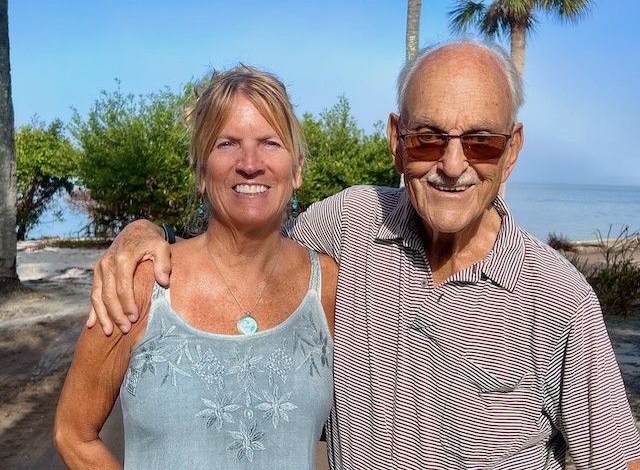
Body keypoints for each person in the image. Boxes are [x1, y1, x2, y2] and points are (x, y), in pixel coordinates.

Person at [88, 39, 640, 469]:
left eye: (480, 142)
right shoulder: (347, 226)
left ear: (511, 149)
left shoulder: (559, 299)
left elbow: (617, 458)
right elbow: (245, 235)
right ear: (396, 140)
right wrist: (142, 234)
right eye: (427, 139)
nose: (452, 166)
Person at [53, 66, 338, 469]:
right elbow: (73, 433)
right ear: (202, 171)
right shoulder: (142, 283)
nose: (250, 163)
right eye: (227, 143)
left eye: (270, 143)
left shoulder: (328, 287)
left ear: (298, 169)